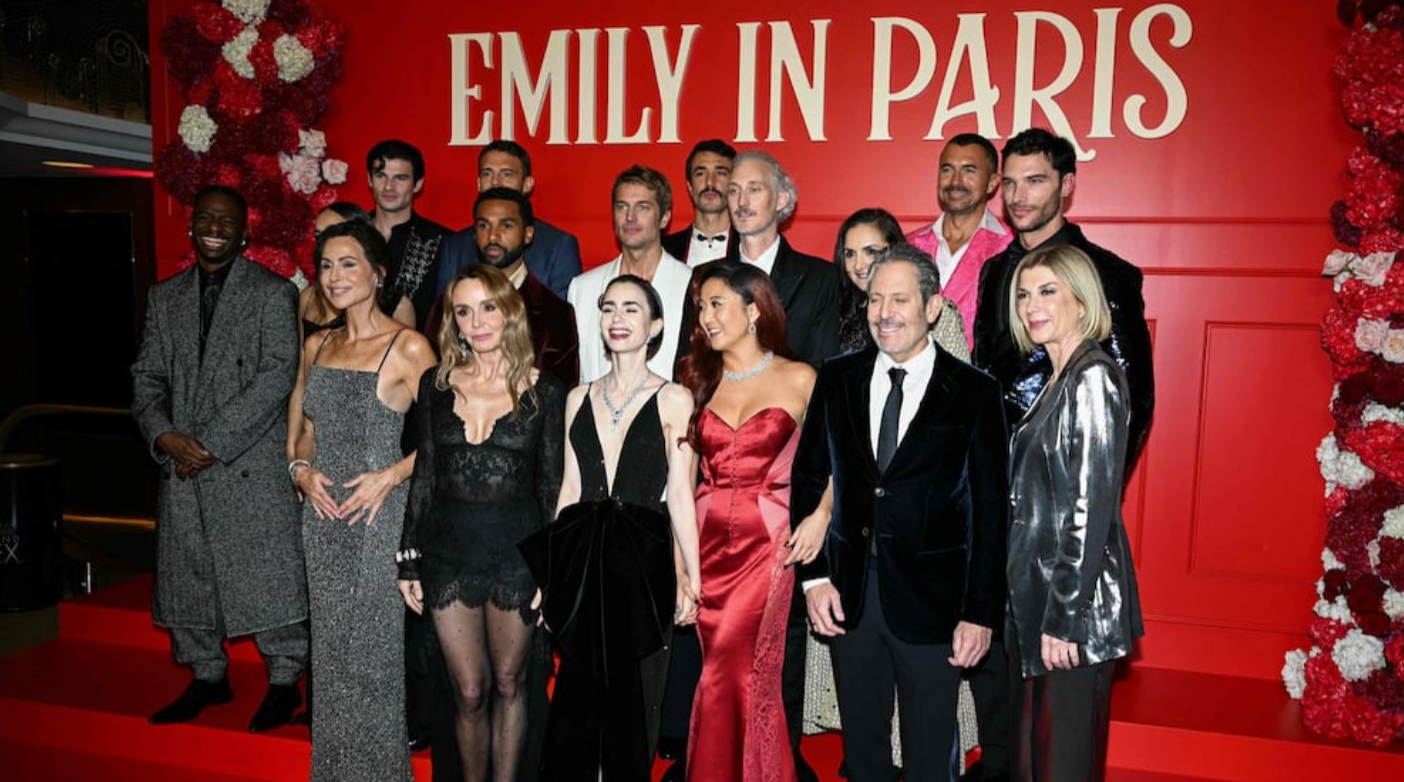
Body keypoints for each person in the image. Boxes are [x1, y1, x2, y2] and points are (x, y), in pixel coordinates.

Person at [794, 245, 1007, 782]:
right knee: (862, 753)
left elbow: (989, 514)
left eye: (899, 299)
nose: (883, 312)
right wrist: (814, 578)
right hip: (849, 597)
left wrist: (980, 612)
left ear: (932, 308)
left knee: (929, 755)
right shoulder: (837, 377)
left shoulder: (975, 393)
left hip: (936, 605)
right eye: (874, 299)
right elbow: (809, 477)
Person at [132, 185, 308, 733]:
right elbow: (147, 377)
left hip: (246, 463)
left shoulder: (273, 293)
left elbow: (277, 376)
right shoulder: (165, 297)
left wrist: (207, 443)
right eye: (206, 219)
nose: (214, 228)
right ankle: (208, 675)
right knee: (188, 574)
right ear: (191, 226)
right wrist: (164, 436)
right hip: (182, 464)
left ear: (244, 233)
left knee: (268, 576)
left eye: (226, 221)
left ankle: (284, 682)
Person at [521, 275, 702, 781]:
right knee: (577, 698)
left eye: (631, 309)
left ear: (656, 326)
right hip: (583, 558)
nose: (617, 319)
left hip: (643, 561)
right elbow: (570, 489)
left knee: (633, 697)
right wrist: (550, 574)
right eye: (609, 309)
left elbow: (680, 495)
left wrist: (692, 577)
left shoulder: (675, 399)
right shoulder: (577, 397)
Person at [397, 265, 566, 782]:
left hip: (517, 558)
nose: (477, 323)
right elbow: (425, 474)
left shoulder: (545, 391)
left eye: (488, 308)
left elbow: (552, 488)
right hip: (448, 554)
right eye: (464, 312)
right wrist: (408, 559)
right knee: (468, 691)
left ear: (509, 312)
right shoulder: (435, 386)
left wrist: (550, 568)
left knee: (512, 684)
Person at [287, 220, 436, 781]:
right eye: (326, 265)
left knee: (371, 656)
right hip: (322, 518)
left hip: (378, 516)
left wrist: (390, 476)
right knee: (329, 656)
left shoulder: (408, 346)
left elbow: (445, 436)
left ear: (378, 273)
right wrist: (300, 471)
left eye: (348, 263)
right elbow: (305, 429)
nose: (334, 276)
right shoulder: (318, 344)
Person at [1005, 244, 1143, 782]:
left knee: (1062, 766)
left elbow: (1090, 510)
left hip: (1070, 618)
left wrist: (1063, 620)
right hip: (1040, 606)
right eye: (1023, 294)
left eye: (1047, 291)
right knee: (1034, 763)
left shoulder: (1092, 378)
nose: (1030, 306)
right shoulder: (1059, 377)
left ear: (1082, 301)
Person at [676, 262, 816, 782]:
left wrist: (821, 515)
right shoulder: (695, 381)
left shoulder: (800, 378)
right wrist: (680, 566)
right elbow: (679, 485)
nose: (706, 317)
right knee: (719, 668)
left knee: (735, 673)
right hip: (704, 542)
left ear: (754, 309)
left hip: (767, 544)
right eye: (701, 307)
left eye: (717, 304)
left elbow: (835, 464)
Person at [973, 128, 1154, 475]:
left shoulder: (1107, 274)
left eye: (1035, 181)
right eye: (1009, 183)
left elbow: (1133, 398)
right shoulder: (993, 270)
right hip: (988, 472)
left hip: (1058, 479)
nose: (1018, 196)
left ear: (1066, 184)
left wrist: (1089, 487)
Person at [568, 165, 692, 382]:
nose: (630, 217)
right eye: (622, 206)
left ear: (664, 218)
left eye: (642, 207)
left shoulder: (690, 284)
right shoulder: (583, 289)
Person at [439, 140, 584, 301]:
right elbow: (444, 310)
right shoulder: (455, 247)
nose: (495, 182)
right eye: (487, 174)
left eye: (507, 174)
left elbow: (563, 312)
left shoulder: (558, 246)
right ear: (478, 183)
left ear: (527, 184)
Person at [906, 133, 1012, 350]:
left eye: (969, 171)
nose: (955, 181)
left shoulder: (1012, 248)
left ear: (992, 182)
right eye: (947, 170)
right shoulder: (908, 246)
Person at [834, 208, 968, 361]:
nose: (858, 265)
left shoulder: (936, 309)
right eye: (850, 254)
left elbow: (959, 371)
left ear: (894, 250)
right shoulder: (836, 307)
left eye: (870, 252)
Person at [367, 139, 451, 333]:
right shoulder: (348, 236)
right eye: (381, 176)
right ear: (369, 179)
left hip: (421, 349)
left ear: (418, 184)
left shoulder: (443, 243)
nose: (389, 186)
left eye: (400, 178)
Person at [300, 202, 415, 339]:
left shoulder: (399, 308)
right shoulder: (308, 297)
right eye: (319, 236)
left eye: (336, 232)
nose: (325, 243)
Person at [662, 139, 739, 267]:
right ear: (690, 187)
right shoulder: (663, 251)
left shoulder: (750, 247)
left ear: (734, 186)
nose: (710, 182)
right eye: (701, 173)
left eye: (721, 173)